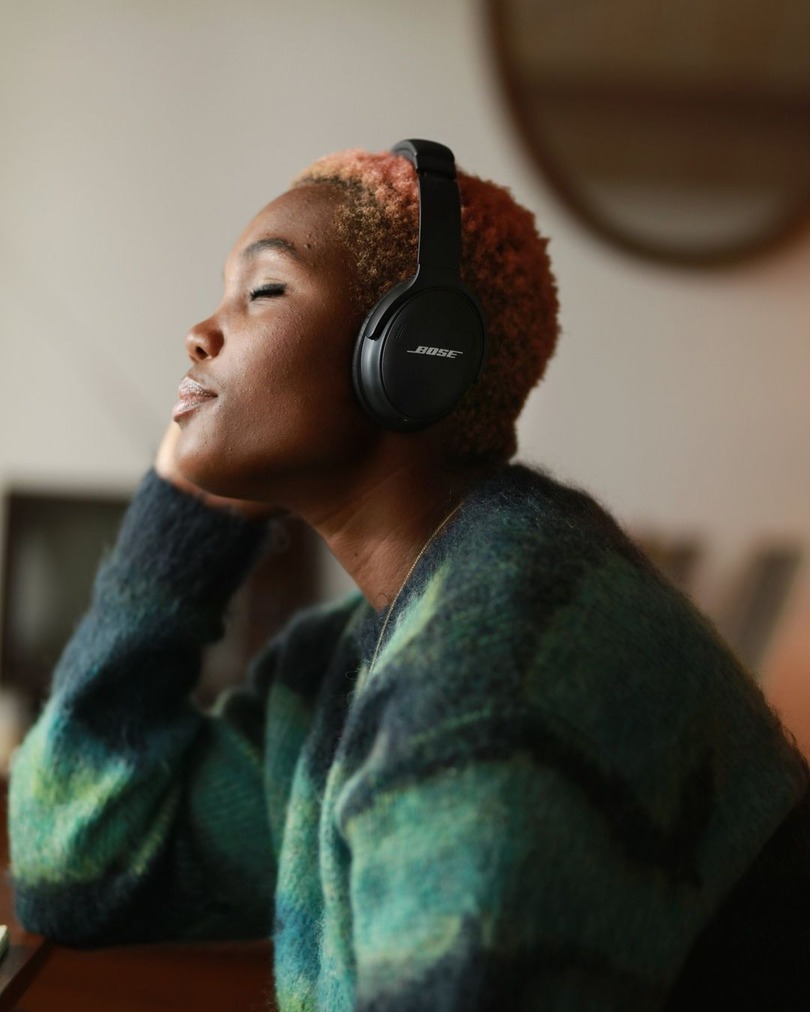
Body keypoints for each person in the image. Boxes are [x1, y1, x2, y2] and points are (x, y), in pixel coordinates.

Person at [8, 140, 810, 1011]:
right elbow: (75, 858)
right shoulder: (347, 661)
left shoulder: (503, 668)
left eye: (263, 291)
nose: (200, 334)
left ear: (413, 353)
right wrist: (181, 515)